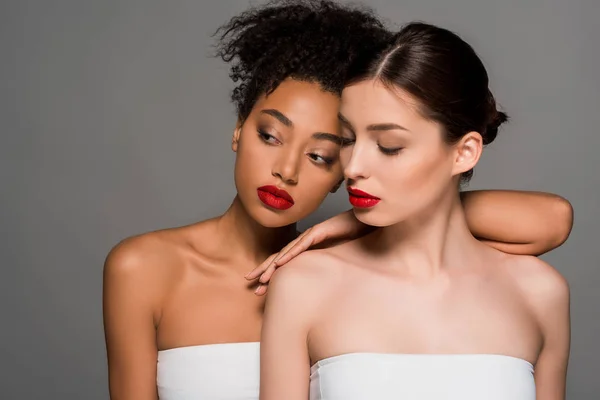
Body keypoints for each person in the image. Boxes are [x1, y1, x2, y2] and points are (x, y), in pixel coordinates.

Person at [103, 1, 572, 399]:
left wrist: (351, 222)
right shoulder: (156, 269)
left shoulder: (333, 265)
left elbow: (552, 219)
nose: (287, 170)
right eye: (269, 135)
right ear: (239, 127)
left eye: (324, 154)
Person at [259, 21, 571, 400]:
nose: (353, 166)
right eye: (348, 139)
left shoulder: (539, 292)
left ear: (464, 152)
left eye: (389, 145)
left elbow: (556, 216)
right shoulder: (304, 284)